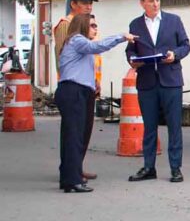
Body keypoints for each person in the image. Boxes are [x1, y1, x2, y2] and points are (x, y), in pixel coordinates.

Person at [56, 14, 136, 192]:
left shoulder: (79, 45)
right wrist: (121, 37)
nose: (95, 28)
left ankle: (70, 177)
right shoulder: (77, 40)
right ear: (82, 25)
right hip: (73, 91)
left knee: (76, 136)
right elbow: (97, 46)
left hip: (80, 91)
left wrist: (93, 83)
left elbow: (81, 67)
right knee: (75, 137)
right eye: (92, 25)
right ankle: (72, 180)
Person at [126, 0, 190, 183]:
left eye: (157, 0)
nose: (155, 4)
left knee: (174, 126)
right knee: (149, 127)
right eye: (151, 1)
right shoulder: (135, 25)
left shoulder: (174, 21)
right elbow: (130, 50)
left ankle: (175, 168)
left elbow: (186, 45)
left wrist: (175, 55)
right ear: (142, 3)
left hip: (170, 80)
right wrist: (132, 60)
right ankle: (149, 167)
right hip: (147, 81)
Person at [54, 0, 100, 182]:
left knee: (84, 129)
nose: (88, 7)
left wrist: (95, 80)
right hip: (73, 84)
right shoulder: (66, 25)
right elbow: (62, 56)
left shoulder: (88, 24)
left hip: (88, 83)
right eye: (84, 3)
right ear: (73, 4)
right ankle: (70, 170)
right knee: (73, 131)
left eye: (90, 3)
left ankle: (77, 166)